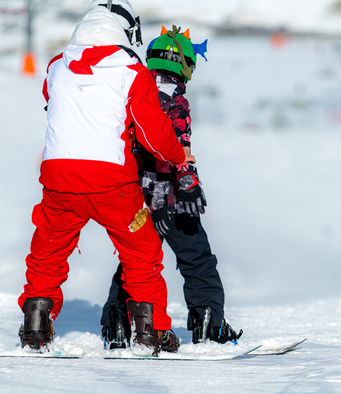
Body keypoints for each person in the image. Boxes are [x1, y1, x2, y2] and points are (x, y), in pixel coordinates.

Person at [18, 1, 191, 356]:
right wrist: (178, 157)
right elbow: (152, 132)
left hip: (59, 177)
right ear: (127, 30)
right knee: (141, 251)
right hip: (112, 181)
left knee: (48, 251)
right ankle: (150, 332)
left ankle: (36, 326)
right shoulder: (131, 70)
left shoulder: (56, 66)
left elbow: (53, 103)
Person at [100, 26, 242, 349]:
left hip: (135, 198)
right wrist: (184, 186)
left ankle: (118, 323)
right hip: (174, 202)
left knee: (135, 262)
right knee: (198, 260)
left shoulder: (134, 94)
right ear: (182, 65)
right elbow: (175, 148)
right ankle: (209, 323)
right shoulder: (176, 103)